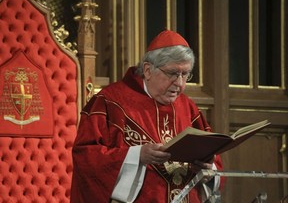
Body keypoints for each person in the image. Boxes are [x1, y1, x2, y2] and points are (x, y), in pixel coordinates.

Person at [70, 30, 224, 203]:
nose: (180, 83)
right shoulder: (110, 102)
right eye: (173, 73)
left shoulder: (188, 107)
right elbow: (86, 158)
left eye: (185, 74)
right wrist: (137, 156)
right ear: (148, 70)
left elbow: (214, 162)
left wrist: (207, 169)